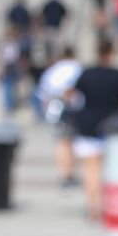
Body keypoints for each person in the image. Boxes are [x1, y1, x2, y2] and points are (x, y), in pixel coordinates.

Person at [68, 40, 118, 220]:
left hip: (87, 124)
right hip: (112, 126)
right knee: (109, 169)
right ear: (111, 53)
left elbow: (71, 94)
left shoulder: (87, 74)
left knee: (91, 169)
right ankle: (107, 204)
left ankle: (93, 207)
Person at [38, 46, 83, 187]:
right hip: (72, 109)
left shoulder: (53, 70)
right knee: (70, 143)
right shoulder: (76, 67)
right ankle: (69, 173)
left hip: (54, 108)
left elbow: (43, 91)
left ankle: (64, 173)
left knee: (61, 143)